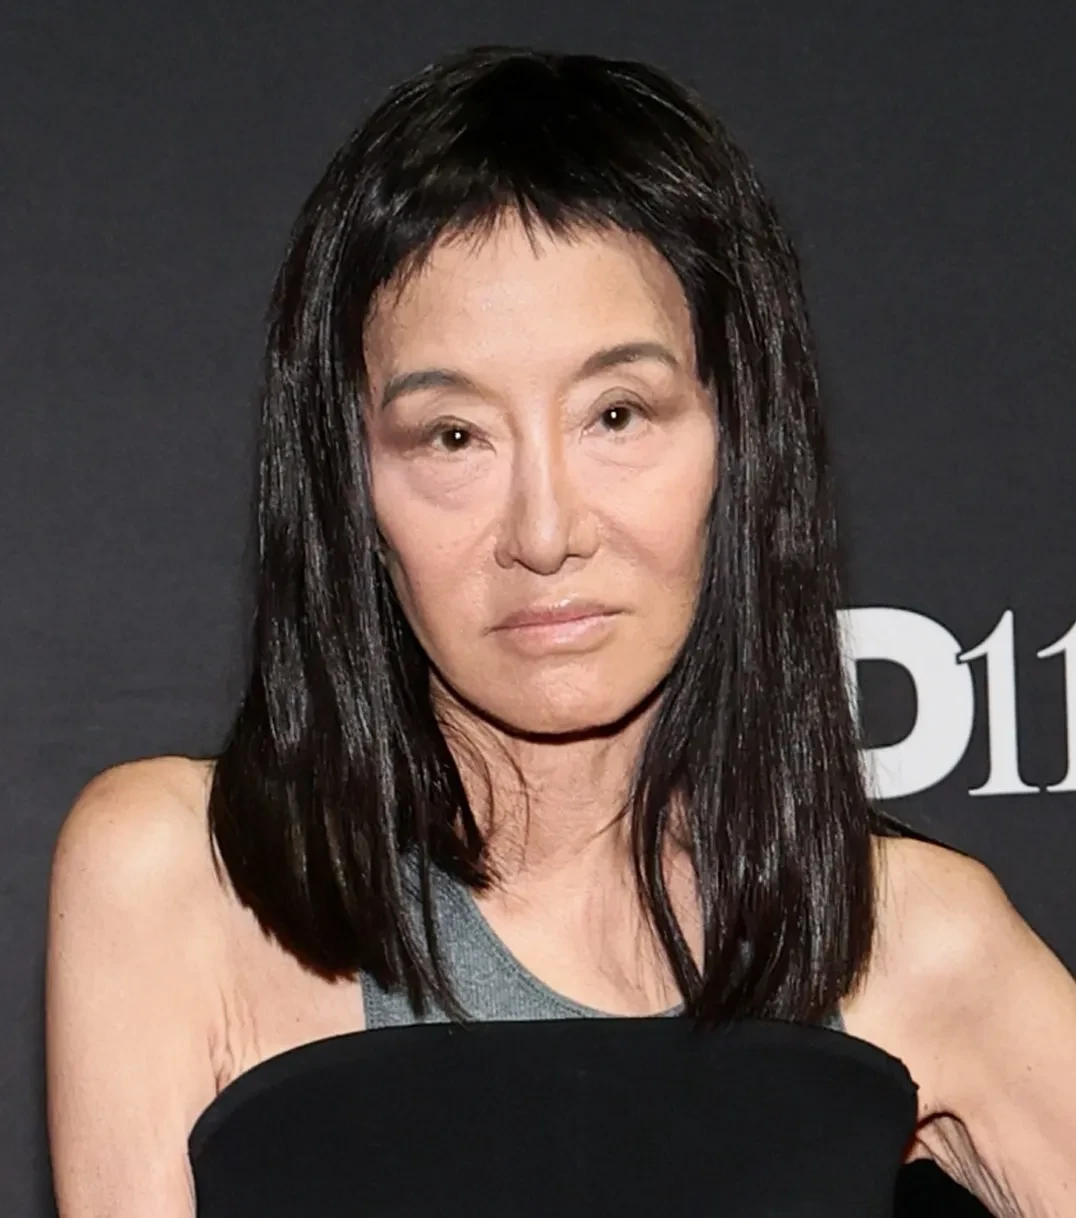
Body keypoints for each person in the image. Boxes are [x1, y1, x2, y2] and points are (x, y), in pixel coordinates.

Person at [44, 44, 1076, 1218]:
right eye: (453, 437)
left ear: (737, 439)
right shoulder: (184, 881)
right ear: (350, 483)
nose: (543, 531)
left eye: (615, 415)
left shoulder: (904, 939)